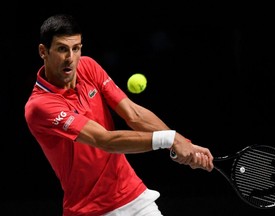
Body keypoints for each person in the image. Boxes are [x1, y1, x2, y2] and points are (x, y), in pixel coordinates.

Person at [24, 14, 214, 216]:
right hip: (89, 211)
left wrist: (183, 143)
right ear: (43, 51)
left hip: (134, 197)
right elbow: (104, 140)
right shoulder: (40, 106)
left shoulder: (88, 67)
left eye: (76, 48)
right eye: (62, 49)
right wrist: (170, 139)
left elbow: (134, 114)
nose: (71, 58)